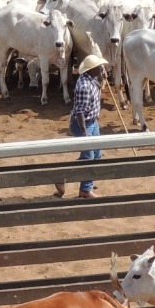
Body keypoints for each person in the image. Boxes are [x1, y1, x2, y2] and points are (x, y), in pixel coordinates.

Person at [57, 54, 108, 200]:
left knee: (96, 155)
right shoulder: (84, 86)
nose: (102, 68)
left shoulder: (91, 78)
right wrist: (84, 133)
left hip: (92, 122)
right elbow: (79, 112)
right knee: (89, 157)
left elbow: (98, 85)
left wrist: (102, 77)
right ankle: (85, 190)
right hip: (83, 124)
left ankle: (66, 176)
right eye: (99, 67)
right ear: (92, 69)